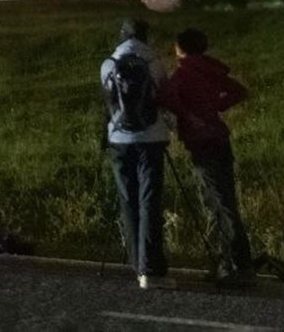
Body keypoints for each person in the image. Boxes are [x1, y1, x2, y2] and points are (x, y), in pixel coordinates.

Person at [161, 28, 256, 286]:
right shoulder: (211, 69)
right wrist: (214, 107)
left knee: (218, 204)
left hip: (201, 143)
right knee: (225, 200)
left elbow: (167, 99)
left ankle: (237, 266)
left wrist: (189, 115)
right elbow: (239, 91)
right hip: (220, 138)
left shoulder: (182, 74)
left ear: (180, 48)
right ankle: (229, 264)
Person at [100, 18, 173, 289]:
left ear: (122, 36)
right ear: (144, 37)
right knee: (149, 201)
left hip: (119, 140)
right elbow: (163, 97)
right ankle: (151, 269)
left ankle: (135, 264)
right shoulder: (155, 63)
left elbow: (108, 104)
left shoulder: (108, 64)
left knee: (128, 200)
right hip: (151, 140)